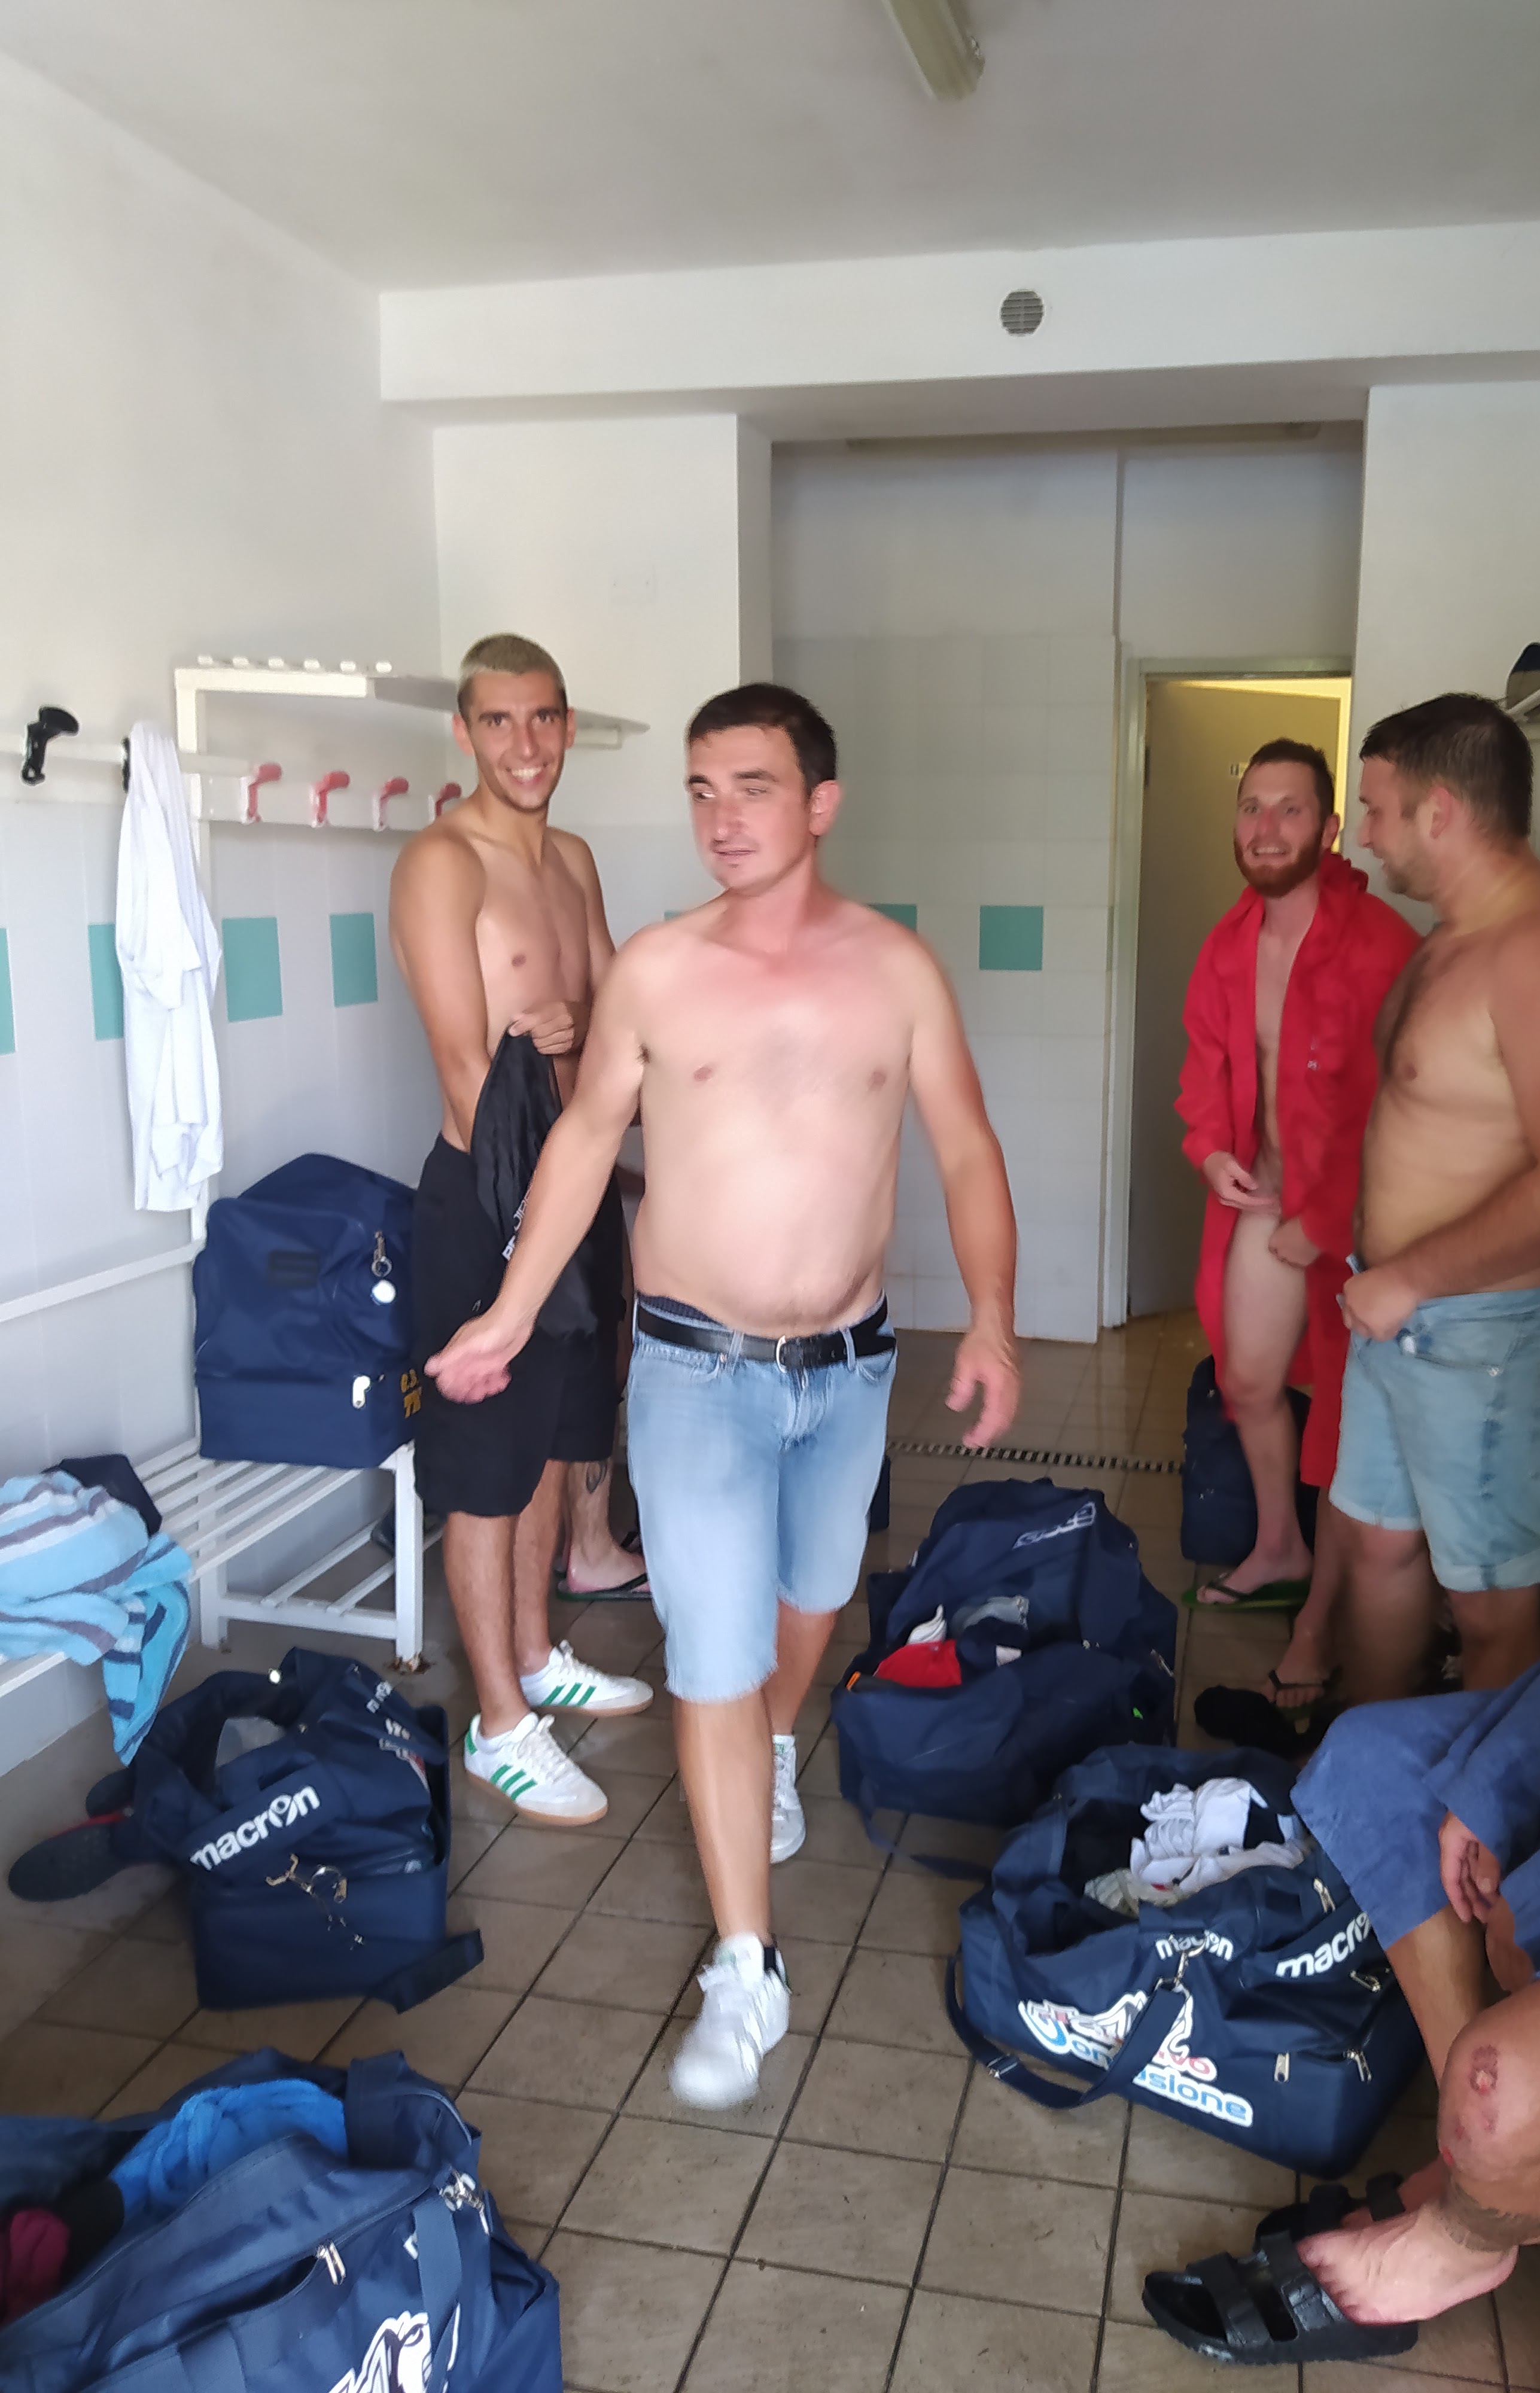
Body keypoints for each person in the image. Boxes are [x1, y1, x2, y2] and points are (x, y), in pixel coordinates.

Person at [428, 681, 1020, 2106]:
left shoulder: (896, 970)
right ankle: (746, 1967)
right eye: (701, 788)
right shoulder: (657, 969)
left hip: (851, 1368)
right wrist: (509, 1310)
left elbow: (966, 1148)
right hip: (696, 1372)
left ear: (821, 802)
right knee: (709, 1649)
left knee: (812, 1603)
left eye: (752, 786)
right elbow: (581, 1144)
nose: (721, 816)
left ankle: (770, 1743)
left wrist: (996, 1318)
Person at [1139, 1078, 1540, 2366]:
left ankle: (1479, 2207)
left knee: (1508, 2073)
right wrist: (1493, 1786)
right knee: (1375, 1766)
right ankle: (1489, 2164)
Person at [388, 632, 652, 1832]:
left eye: (543, 717)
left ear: (568, 723)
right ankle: (500, 1723)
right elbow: (465, 1071)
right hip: (490, 1199)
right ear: (465, 732)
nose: (525, 744)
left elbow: (615, 1019)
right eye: (498, 721)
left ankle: (539, 1658)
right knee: (487, 1470)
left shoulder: (573, 859)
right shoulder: (441, 863)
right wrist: (550, 1053)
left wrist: (573, 1034)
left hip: (574, 1193)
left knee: (555, 1438)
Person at [1332, 693, 1540, 1697]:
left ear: (1440, 812)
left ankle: (1494, 1791)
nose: (1364, 835)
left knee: (1493, 1602)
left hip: (1494, 1331)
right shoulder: (1452, 938)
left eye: (1376, 810)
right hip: (1404, 1316)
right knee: (1380, 1547)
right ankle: (1373, 1764)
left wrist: (1410, 1275)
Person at [1177, 738, 1418, 1716]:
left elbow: (1402, 1107)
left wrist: (1329, 1221)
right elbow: (1204, 1068)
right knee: (1247, 1381)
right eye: (1252, 808)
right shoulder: (1229, 942)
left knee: (1352, 1420)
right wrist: (1209, 1152)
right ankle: (1281, 1543)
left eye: (1289, 809)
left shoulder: (1383, 943)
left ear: (1328, 827)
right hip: (1267, 1201)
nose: (1266, 828)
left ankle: (1324, 1618)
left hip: (1368, 1223)